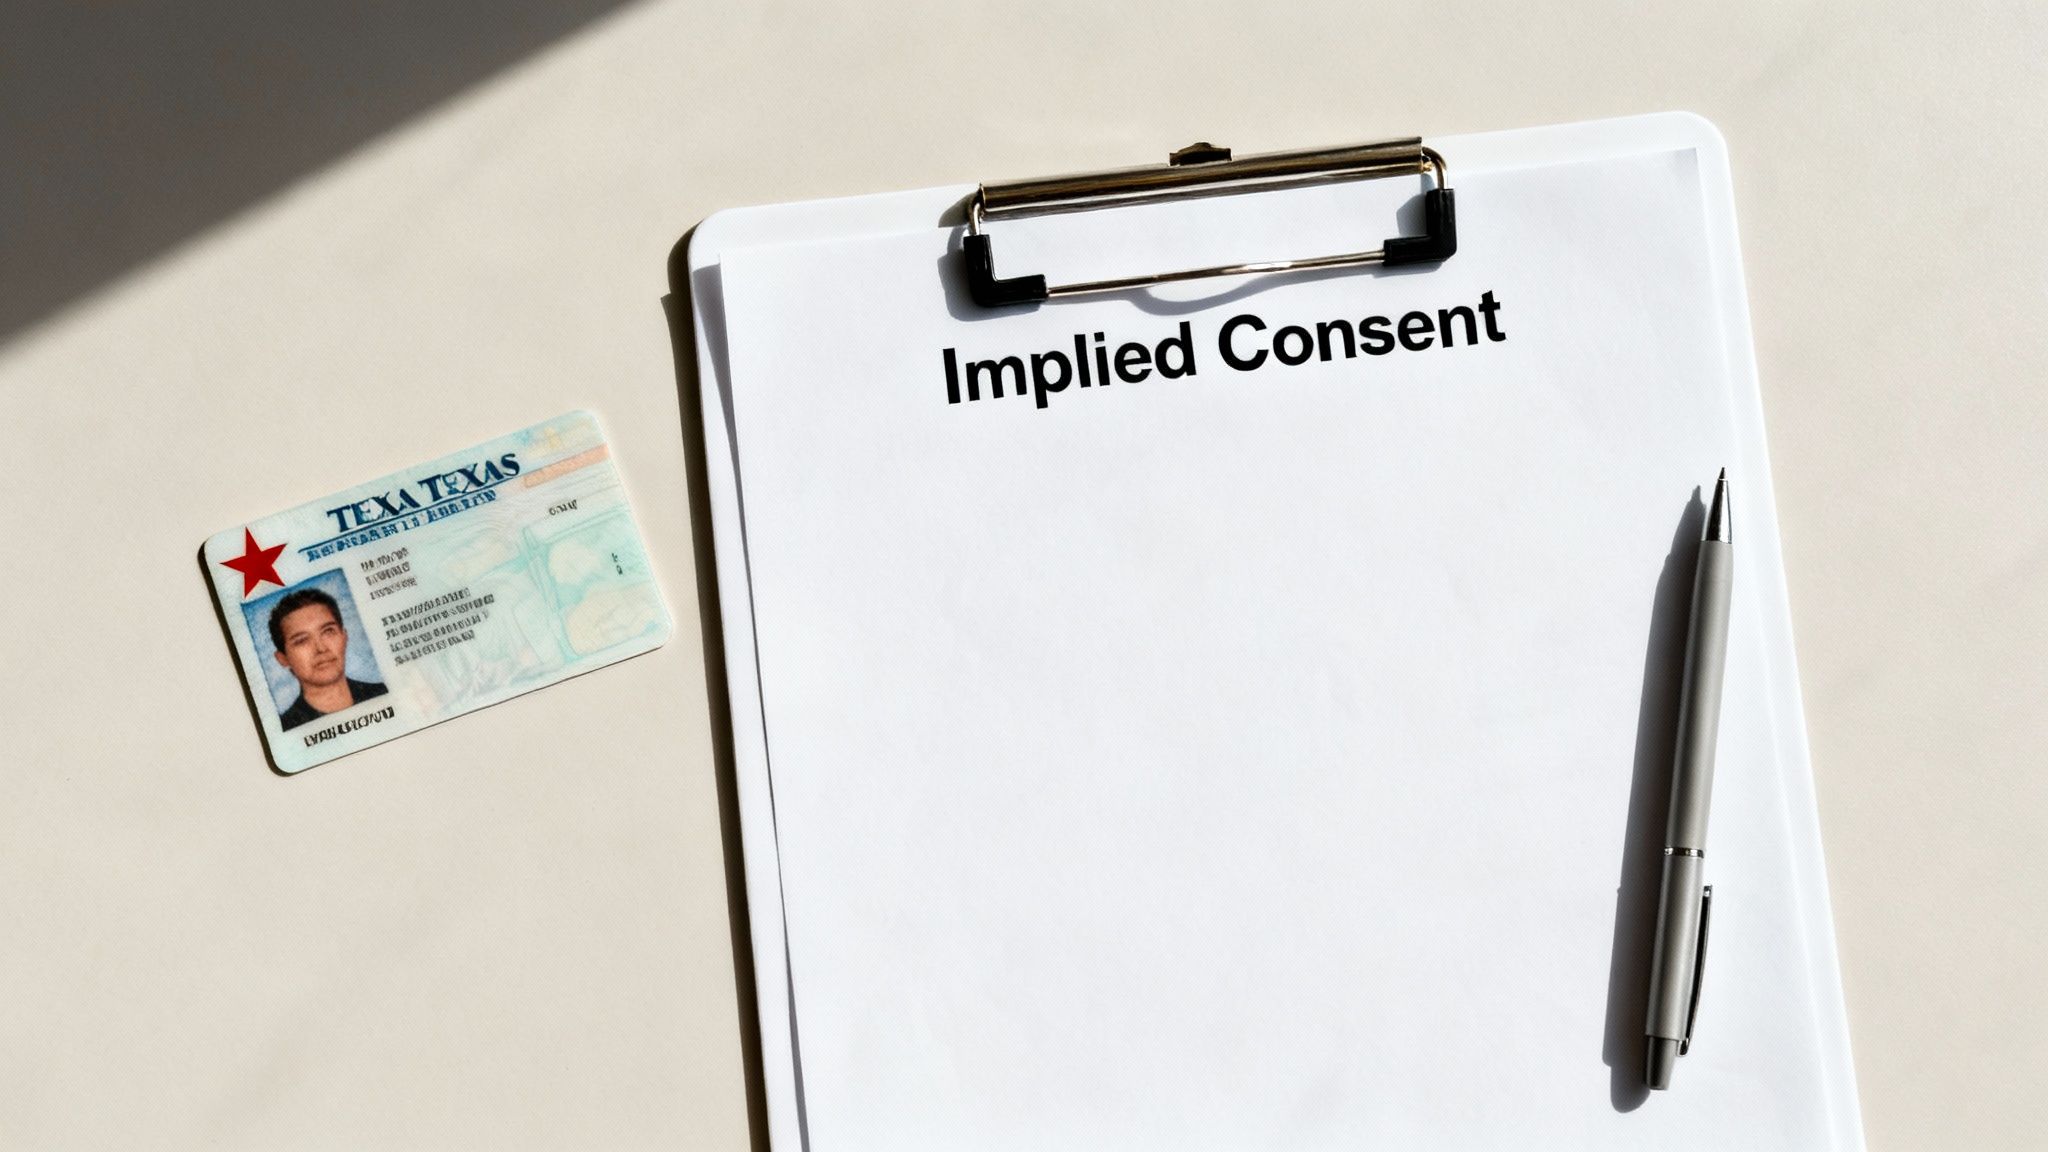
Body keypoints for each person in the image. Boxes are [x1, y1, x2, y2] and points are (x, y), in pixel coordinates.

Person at [267, 586, 386, 730]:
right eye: (301, 640)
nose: (321, 649)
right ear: (283, 658)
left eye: (328, 631)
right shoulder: (288, 729)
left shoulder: (384, 692)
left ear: (344, 636)